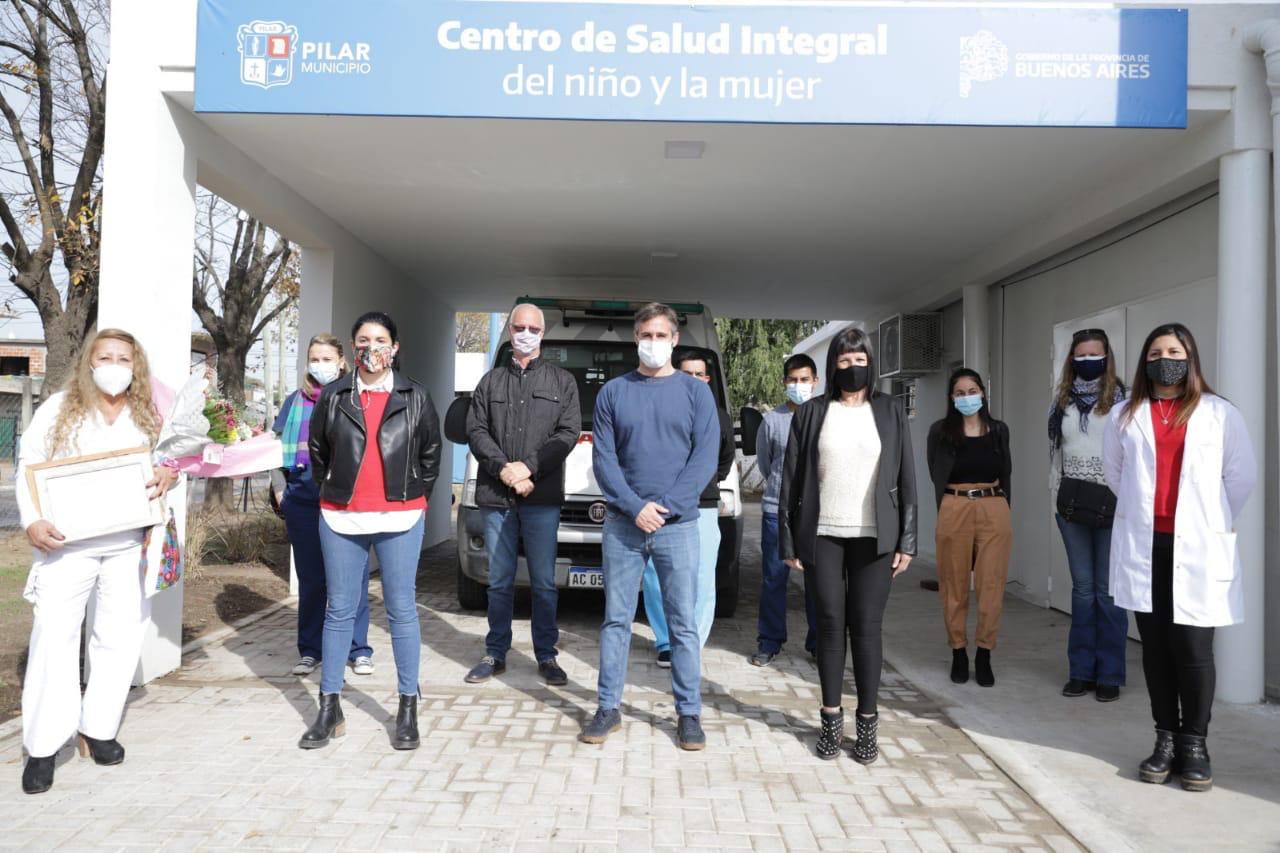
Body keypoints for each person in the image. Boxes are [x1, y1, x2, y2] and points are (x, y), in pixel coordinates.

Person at [17, 329, 179, 795]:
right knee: (53, 635)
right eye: (104, 356)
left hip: (130, 542)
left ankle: (98, 728)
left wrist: (169, 474)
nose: (113, 364)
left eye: (123, 358)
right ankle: (44, 746)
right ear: (89, 362)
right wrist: (32, 522)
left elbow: (170, 465)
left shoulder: (148, 412)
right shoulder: (61, 407)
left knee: (121, 633)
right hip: (68, 543)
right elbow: (28, 463)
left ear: (136, 365)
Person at [1104, 323, 1255, 793]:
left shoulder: (1220, 413)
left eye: (1174, 350)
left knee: (1192, 649)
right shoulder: (1124, 416)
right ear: (1144, 361)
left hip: (1198, 546)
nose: (1164, 358)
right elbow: (1115, 474)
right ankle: (1164, 737)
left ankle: (1195, 743)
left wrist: (1201, 521)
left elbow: (1240, 478)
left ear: (1190, 358)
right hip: (1146, 545)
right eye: (1155, 351)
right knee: (1155, 648)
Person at [300, 311, 441, 751]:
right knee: (339, 610)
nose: (372, 347)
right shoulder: (335, 395)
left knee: (401, 610)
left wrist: (414, 496)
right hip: (342, 517)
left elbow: (431, 453)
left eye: (381, 340)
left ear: (395, 348)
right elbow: (319, 449)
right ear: (352, 346)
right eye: (363, 339)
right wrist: (332, 491)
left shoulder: (415, 395)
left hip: (399, 517)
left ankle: (407, 705)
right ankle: (330, 707)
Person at [580, 303, 718, 751]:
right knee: (616, 620)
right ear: (635, 339)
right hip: (623, 524)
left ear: (675, 340)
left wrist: (666, 507)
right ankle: (607, 707)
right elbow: (605, 459)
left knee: (681, 623)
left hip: (678, 527)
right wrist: (635, 507)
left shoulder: (697, 394)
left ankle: (689, 713)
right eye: (645, 335)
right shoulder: (614, 394)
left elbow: (703, 460)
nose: (652, 343)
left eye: (660, 335)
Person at [778, 326, 917, 763]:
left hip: (875, 537)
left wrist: (908, 540)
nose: (853, 368)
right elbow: (791, 480)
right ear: (832, 365)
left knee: (867, 627)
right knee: (831, 626)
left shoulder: (890, 410)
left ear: (870, 364)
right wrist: (788, 538)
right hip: (823, 534)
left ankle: (868, 723)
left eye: (860, 361)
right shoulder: (813, 413)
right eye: (844, 361)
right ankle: (830, 719)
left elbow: (907, 478)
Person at [464, 304, 581, 686]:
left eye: (533, 327)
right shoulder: (490, 382)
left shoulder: (562, 382)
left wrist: (528, 467)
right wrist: (505, 471)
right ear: (510, 331)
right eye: (519, 326)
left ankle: (546, 655)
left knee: (545, 582)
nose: (526, 332)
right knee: (499, 581)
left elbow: (567, 434)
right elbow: (476, 431)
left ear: (543, 333)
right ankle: (495, 652)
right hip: (498, 497)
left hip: (541, 497)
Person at [273, 334, 374, 678]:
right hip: (303, 497)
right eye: (314, 358)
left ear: (342, 362)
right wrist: (279, 489)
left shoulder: (355, 398)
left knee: (352, 576)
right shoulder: (294, 402)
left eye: (327, 358)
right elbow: (275, 448)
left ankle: (358, 649)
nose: (320, 365)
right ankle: (311, 649)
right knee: (312, 578)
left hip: (348, 498)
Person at [639, 349, 734, 665]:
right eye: (687, 374)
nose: (694, 380)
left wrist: (700, 485)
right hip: (662, 505)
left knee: (702, 577)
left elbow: (723, 461)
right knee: (656, 575)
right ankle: (666, 640)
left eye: (699, 374)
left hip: (703, 505)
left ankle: (690, 641)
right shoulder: (657, 408)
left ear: (707, 379)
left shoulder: (719, 416)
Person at [1049, 329, 1128, 702]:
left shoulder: (1124, 400)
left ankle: (1109, 674)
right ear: (1072, 359)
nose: (1087, 361)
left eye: (1094, 354)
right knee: (1082, 592)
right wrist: (1055, 500)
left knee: (1108, 593)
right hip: (1072, 507)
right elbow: (1056, 454)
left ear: (1106, 356)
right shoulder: (1061, 400)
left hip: (1114, 507)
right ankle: (1080, 671)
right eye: (1081, 355)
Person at [926, 368, 1012, 688]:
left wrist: (1003, 509)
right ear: (951, 398)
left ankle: (985, 654)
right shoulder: (940, 432)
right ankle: (959, 651)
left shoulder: (999, 430)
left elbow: (1007, 473)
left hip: (993, 504)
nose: (967, 398)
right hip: (955, 504)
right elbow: (935, 471)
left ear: (983, 393)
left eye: (972, 390)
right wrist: (947, 510)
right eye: (960, 393)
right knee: (954, 584)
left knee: (991, 585)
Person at [751, 353, 819, 667]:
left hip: (816, 514)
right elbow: (767, 465)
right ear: (784, 382)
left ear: (815, 382)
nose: (798, 385)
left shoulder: (825, 416)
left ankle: (819, 642)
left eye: (804, 380)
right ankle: (769, 641)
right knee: (773, 579)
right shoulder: (772, 421)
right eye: (793, 380)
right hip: (776, 511)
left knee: (818, 581)